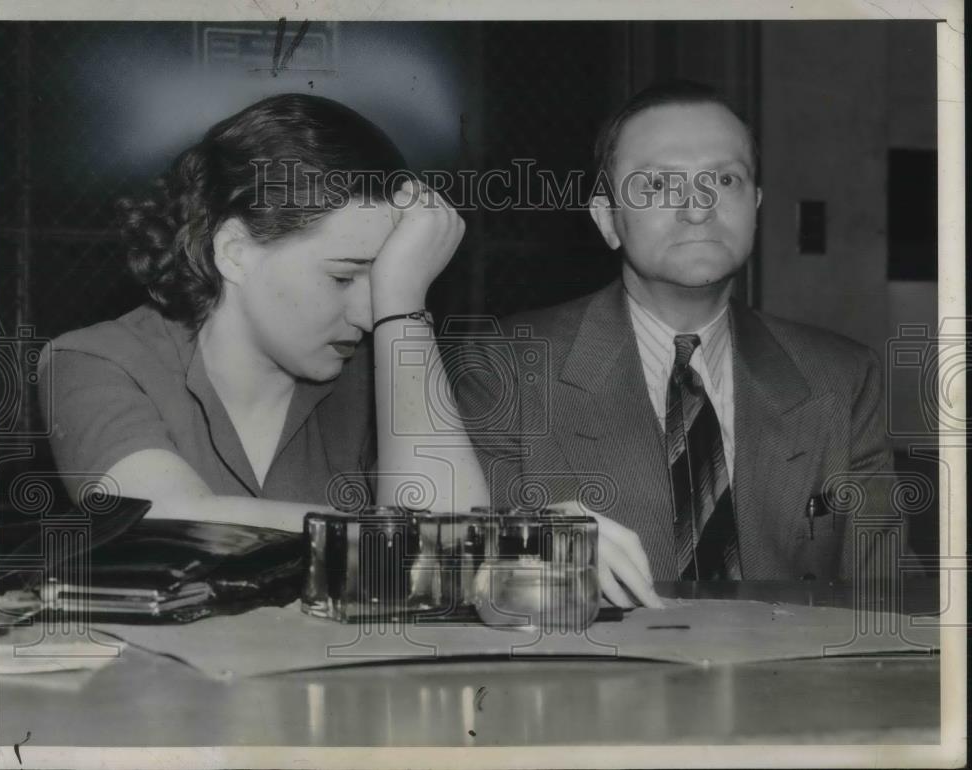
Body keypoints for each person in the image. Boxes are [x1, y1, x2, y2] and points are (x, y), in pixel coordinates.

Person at [39, 93, 663, 609]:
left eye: (384, 281)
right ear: (233, 250)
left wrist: (404, 309)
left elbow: (442, 568)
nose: (368, 314)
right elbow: (177, 522)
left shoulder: (377, 372)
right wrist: (487, 540)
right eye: (343, 277)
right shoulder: (94, 361)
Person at [453, 80, 902, 585]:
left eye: (725, 181)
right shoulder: (507, 370)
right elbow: (461, 565)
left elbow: (878, 598)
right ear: (608, 219)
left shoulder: (841, 379)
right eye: (657, 185)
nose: (697, 208)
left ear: (755, 206)